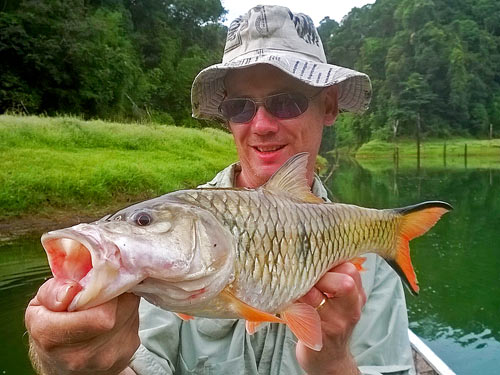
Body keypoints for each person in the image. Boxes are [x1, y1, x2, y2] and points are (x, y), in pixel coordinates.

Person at [25, 5, 415, 375]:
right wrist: (79, 365)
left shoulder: (372, 257)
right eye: (241, 107)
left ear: (329, 106)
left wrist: (333, 365)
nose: (261, 125)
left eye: (285, 102)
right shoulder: (171, 246)